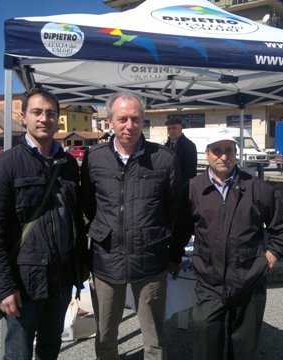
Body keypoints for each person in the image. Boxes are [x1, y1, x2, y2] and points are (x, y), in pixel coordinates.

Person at [0, 88, 88, 360]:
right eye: (37, 112)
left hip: (61, 280)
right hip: (23, 282)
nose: (44, 119)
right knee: (19, 352)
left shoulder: (68, 164)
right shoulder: (5, 165)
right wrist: (3, 286)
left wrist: (79, 268)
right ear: (23, 116)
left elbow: (76, 220)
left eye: (51, 113)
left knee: (51, 348)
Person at [80, 92, 185, 360]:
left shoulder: (163, 159)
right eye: (122, 119)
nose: (129, 125)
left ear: (143, 121)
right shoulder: (94, 158)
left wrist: (171, 251)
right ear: (110, 122)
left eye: (135, 119)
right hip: (106, 260)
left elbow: (178, 209)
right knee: (105, 336)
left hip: (150, 259)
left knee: (154, 338)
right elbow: (88, 205)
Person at [185, 130, 283, 360]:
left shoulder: (257, 188)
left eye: (228, 150)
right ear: (207, 154)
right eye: (217, 150)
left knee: (244, 348)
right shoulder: (193, 189)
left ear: (235, 154)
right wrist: (174, 257)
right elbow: (180, 229)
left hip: (249, 280)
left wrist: (271, 255)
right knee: (205, 341)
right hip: (209, 282)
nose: (223, 157)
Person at [164, 117, 197, 182]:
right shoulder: (166, 146)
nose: (171, 131)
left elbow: (190, 171)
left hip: (182, 186)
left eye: (174, 128)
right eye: (169, 129)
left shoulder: (189, 145)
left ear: (181, 129)